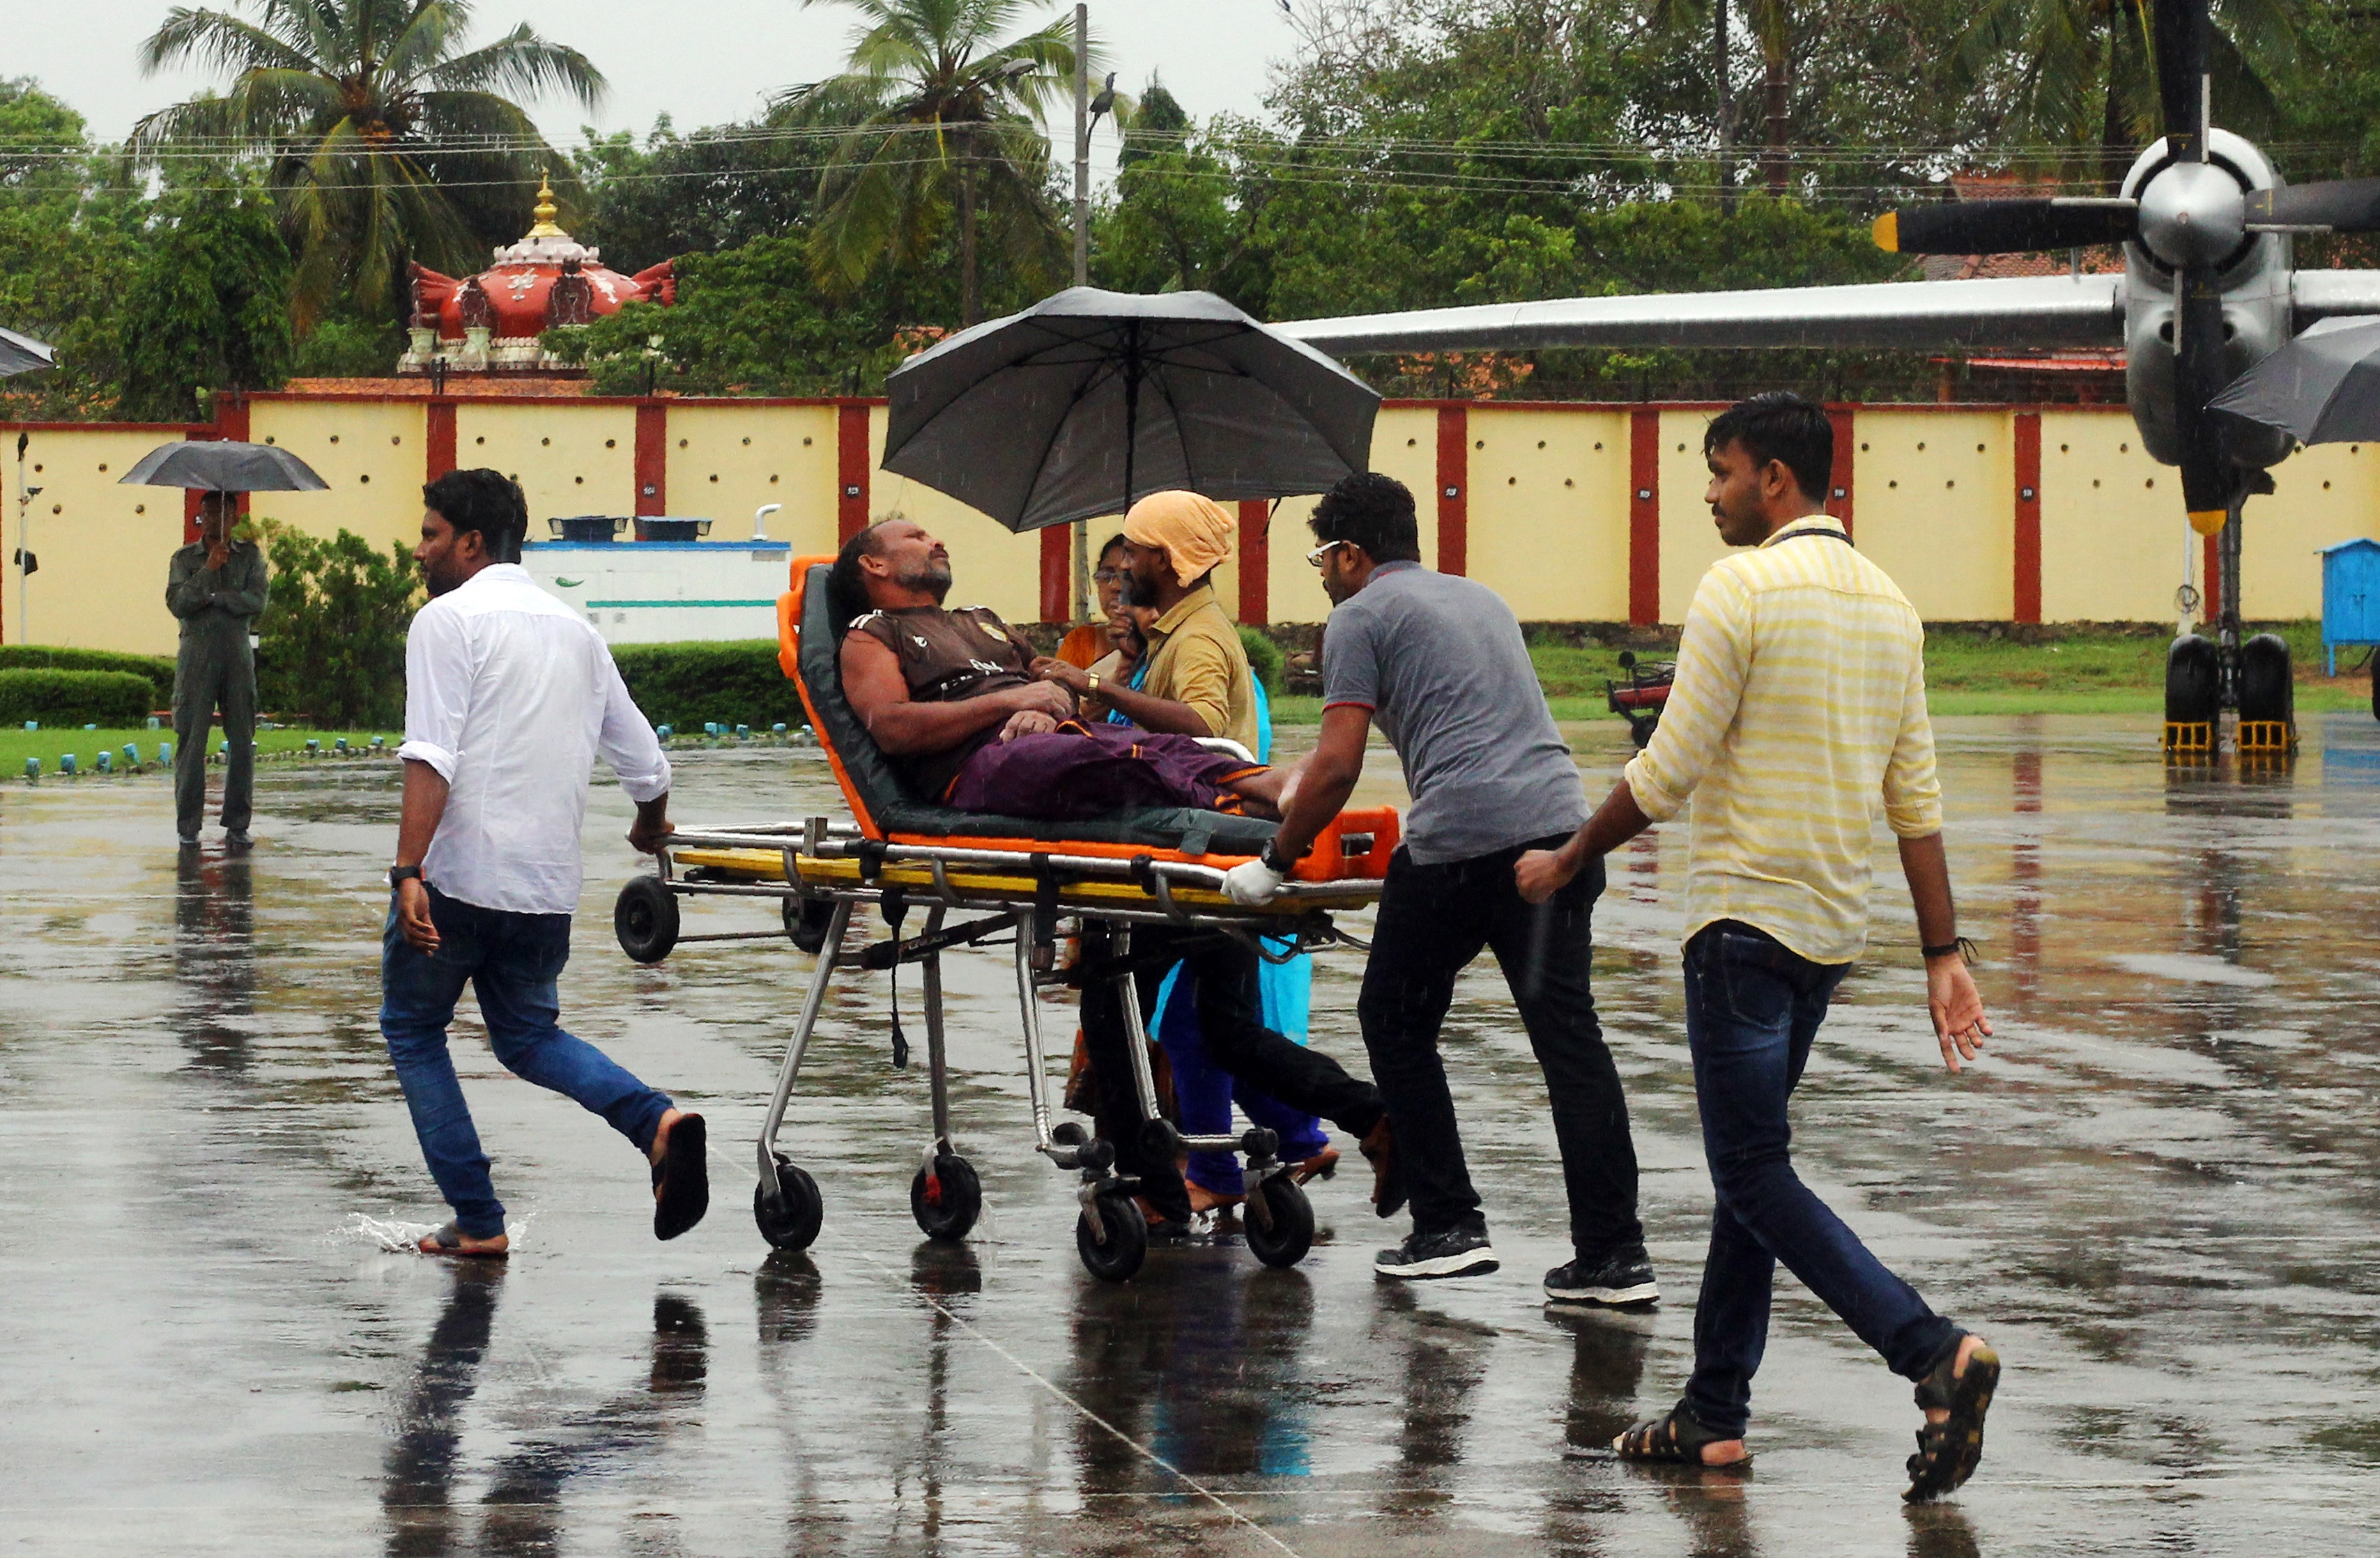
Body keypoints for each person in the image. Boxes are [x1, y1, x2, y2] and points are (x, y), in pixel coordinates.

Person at [1510, 394, 1999, 1500]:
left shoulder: (1736, 586)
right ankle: (1713, 1414)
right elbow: (1911, 800)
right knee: (1749, 1169)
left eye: (1719, 471)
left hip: (1738, 928)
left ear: (1773, 480)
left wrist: (1568, 857)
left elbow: (1667, 769)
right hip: (1825, 934)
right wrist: (1940, 951)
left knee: (1749, 1169)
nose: (1709, 492)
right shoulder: (1889, 605)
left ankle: (1930, 1351)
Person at [1224, 472, 1651, 1296]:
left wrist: (1275, 858)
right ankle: (1613, 1253)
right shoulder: (1476, 598)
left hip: (1463, 843)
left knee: (1392, 1015)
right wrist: (1279, 780)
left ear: (1350, 552)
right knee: (1570, 1043)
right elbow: (1395, 739)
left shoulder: (1355, 617)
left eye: (1320, 555)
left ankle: (1449, 1222)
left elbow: (1342, 763)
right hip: (1561, 829)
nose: (1320, 573)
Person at [381, 468, 705, 1258]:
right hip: (543, 890)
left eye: (430, 535)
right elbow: (649, 766)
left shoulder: (447, 621)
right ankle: (653, 1121)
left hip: (456, 878)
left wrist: (407, 871)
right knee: (528, 1037)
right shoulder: (577, 633)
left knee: (414, 1028)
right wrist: (648, 826)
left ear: (471, 542)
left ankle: (478, 1218)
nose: (420, 551)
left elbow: (430, 754)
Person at [1039, 493, 1341, 1217]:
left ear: (1169, 562)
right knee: (1201, 1026)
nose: (1122, 574)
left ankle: (1190, 1174)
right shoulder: (1171, 634)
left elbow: (1202, 725)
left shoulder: (1197, 639)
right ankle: (1297, 1136)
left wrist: (1089, 684)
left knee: (1159, 1020)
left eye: (1134, 556)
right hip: (1195, 848)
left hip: (1198, 852)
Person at [831, 517, 1287, 820]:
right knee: (1095, 759)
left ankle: (1268, 787)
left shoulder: (982, 620)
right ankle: (1239, 808)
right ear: (875, 564)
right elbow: (891, 727)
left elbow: (1054, 684)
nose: (937, 542)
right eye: (916, 538)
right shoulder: (870, 633)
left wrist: (1046, 709)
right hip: (977, 767)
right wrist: (1012, 702)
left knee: (1154, 745)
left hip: (1056, 739)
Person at [166, 492, 270, 847]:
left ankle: (238, 823)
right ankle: (188, 826)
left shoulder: (250, 556)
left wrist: (217, 598)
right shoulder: (185, 558)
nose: (215, 520)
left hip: (237, 655)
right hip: (196, 655)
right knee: (192, 740)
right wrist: (208, 569)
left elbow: (256, 601)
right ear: (200, 517)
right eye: (208, 513)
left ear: (234, 515)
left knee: (242, 739)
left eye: (222, 512)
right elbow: (179, 603)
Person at [1052, 534, 1133, 669]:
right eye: (1107, 576)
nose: (1116, 587)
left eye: (1128, 577)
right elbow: (1059, 688)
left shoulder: (1160, 643)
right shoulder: (1080, 641)